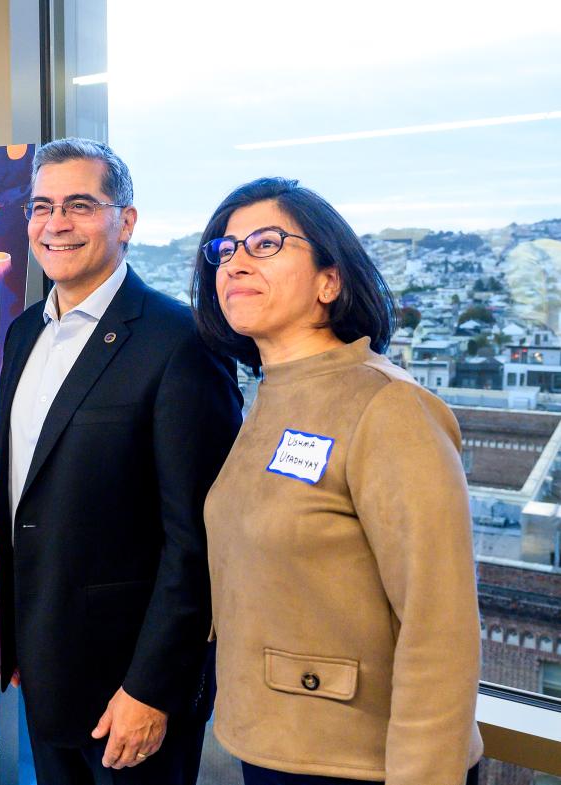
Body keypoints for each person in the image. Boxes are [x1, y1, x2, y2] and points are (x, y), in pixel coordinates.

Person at [193, 177, 482, 785]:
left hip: (356, 766)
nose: (235, 261)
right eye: (224, 250)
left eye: (266, 244)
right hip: (269, 746)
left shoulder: (388, 407)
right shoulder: (270, 399)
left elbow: (439, 625)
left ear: (331, 280)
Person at [0, 138, 242, 784]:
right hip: (44, 670)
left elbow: (196, 542)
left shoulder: (180, 344)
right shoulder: (21, 334)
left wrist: (152, 688)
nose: (56, 223)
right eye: (42, 206)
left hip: (129, 692)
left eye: (80, 204)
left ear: (125, 220)